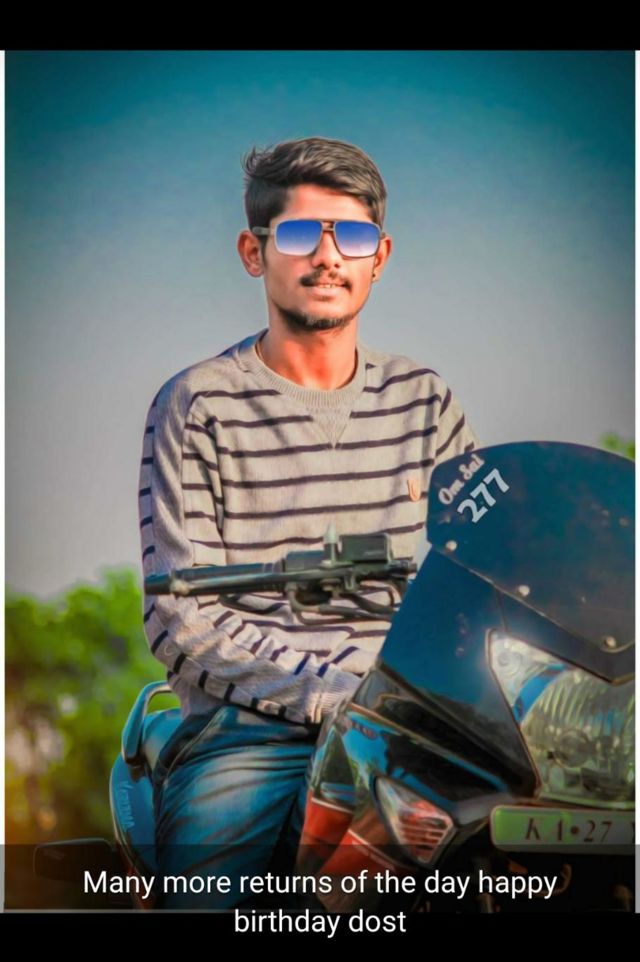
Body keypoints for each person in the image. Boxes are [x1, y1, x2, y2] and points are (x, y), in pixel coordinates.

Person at [138, 136, 478, 909]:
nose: (328, 257)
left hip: (412, 726)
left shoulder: (426, 402)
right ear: (253, 252)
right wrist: (331, 694)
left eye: (350, 235)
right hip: (252, 731)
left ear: (379, 256)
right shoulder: (198, 404)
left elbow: (482, 579)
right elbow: (177, 618)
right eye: (300, 234)